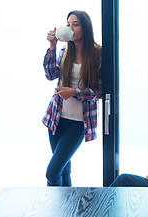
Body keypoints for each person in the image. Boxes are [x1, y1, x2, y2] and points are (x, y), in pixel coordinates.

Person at [43, 10, 102, 186]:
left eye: (75, 24)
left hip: (77, 123)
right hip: (56, 118)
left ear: (85, 28)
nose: (70, 28)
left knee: (52, 172)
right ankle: (65, 212)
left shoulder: (99, 55)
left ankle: (54, 209)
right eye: (68, 24)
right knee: (63, 169)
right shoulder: (64, 52)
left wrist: (74, 92)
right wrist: (52, 46)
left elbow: (100, 91)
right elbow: (50, 74)